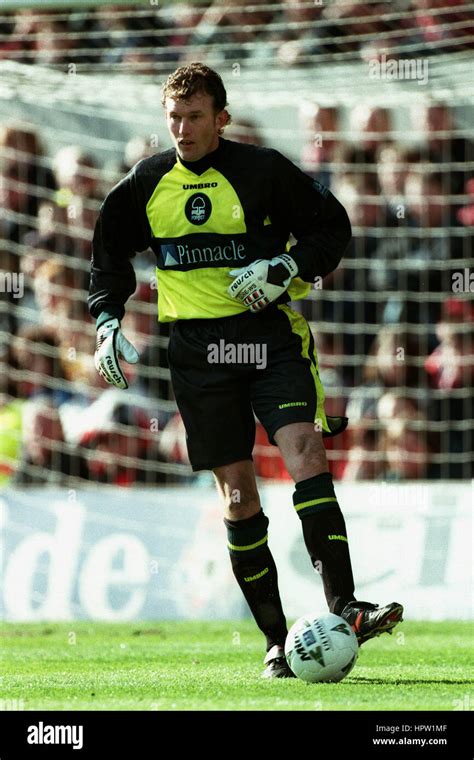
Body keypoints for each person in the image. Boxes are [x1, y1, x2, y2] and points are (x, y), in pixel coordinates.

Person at [88, 63, 403, 678]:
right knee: (237, 494)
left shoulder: (263, 171)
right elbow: (107, 259)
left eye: (195, 117)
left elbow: (331, 227)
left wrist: (285, 268)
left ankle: (347, 608)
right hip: (198, 356)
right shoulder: (145, 184)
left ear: (221, 119)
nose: (182, 129)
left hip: (269, 341)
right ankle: (277, 642)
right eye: (173, 117)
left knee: (306, 450)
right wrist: (106, 321)